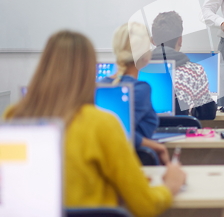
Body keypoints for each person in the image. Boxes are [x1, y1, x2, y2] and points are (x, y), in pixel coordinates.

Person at [4, 30, 185, 217]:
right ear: (89, 71)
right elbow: (146, 206)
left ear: (44, 66)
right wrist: (170, 184)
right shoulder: (102, 124)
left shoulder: (13, 117)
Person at [100, 23, 169, 164]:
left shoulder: (99, 85)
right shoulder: (140, 89)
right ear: (145, 57)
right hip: (130, 167)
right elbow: (119, 133)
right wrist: (157, 147)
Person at [150, 11, 217, 120]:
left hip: (144, 133)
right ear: (180, 40)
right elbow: (207, 113)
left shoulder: (137, 69)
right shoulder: (195, 71)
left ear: (153, 41)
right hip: (179, 133)